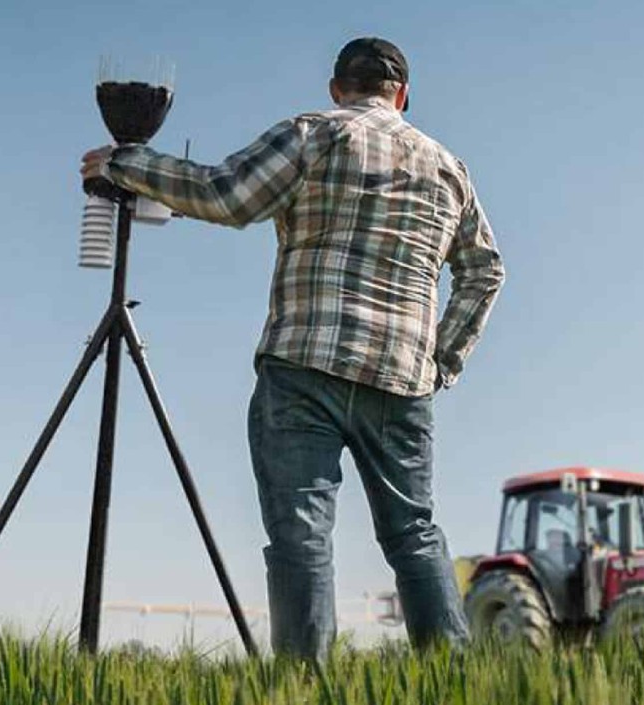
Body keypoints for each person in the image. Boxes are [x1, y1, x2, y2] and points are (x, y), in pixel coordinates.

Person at [79, 37, 504, 660]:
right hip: (402, 382)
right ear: (403, 97)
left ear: (338, 88)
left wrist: (125, 164)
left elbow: (226, 195)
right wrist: (442, 359)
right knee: (413, 533)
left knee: (303, 537)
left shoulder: (313, 133)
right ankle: (452, 682)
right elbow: (485, 270)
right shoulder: (448, 168)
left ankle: (304, 687)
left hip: (304, 366)